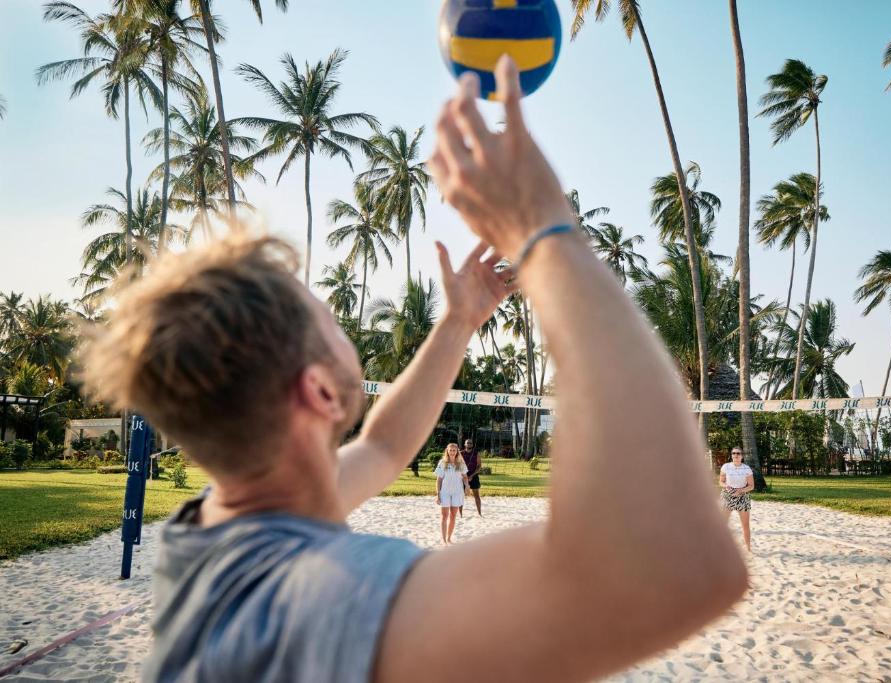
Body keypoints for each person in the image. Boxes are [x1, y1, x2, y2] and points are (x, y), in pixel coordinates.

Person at [80, 57, 746, 682]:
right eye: (330, 319)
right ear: (315, 389)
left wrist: (457, 324)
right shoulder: (327, 596)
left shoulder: (211, 533)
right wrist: (545, 231)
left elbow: (383, 445)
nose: (343, 325)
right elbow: (677, 565)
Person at [720, 446, 755, 552]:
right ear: (731, 455)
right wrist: (726, 486)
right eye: (734, 453)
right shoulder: (726, 467)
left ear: (742, 456)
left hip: (742, 497)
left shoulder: (746, 469)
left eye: (738, 453)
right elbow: (721, 481)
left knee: (745, 525)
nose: (735, 455)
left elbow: (751, 486)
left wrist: (740, 490)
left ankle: (748, 549)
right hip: (727, 496)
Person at [435, 443, 470, 543]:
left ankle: (449, 538)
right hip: (445, 492)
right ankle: (444, 539)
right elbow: (439, 480)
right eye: (450, 450)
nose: (452, 452)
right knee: (444, 516)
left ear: (457, 451)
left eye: (454, 450)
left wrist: (467, 486)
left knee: (453, 516)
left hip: (457, 492)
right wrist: (438, 494)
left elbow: (464, 477)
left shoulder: (461, 463)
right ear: (447, 451)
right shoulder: (442, 463)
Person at [461, 438, 483, 516]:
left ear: (472, 445)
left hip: (473, 476)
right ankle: (460, 514)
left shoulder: (476, 454)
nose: (469, 444)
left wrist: (472, 475)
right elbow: (457, 466)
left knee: (476, 495)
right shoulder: (461, 453)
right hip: (463, 476)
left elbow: (479, 466)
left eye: (470, 443)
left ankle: (479, 513)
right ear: (465, 444)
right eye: (468, 443)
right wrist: (464, 476)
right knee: (461, 495)